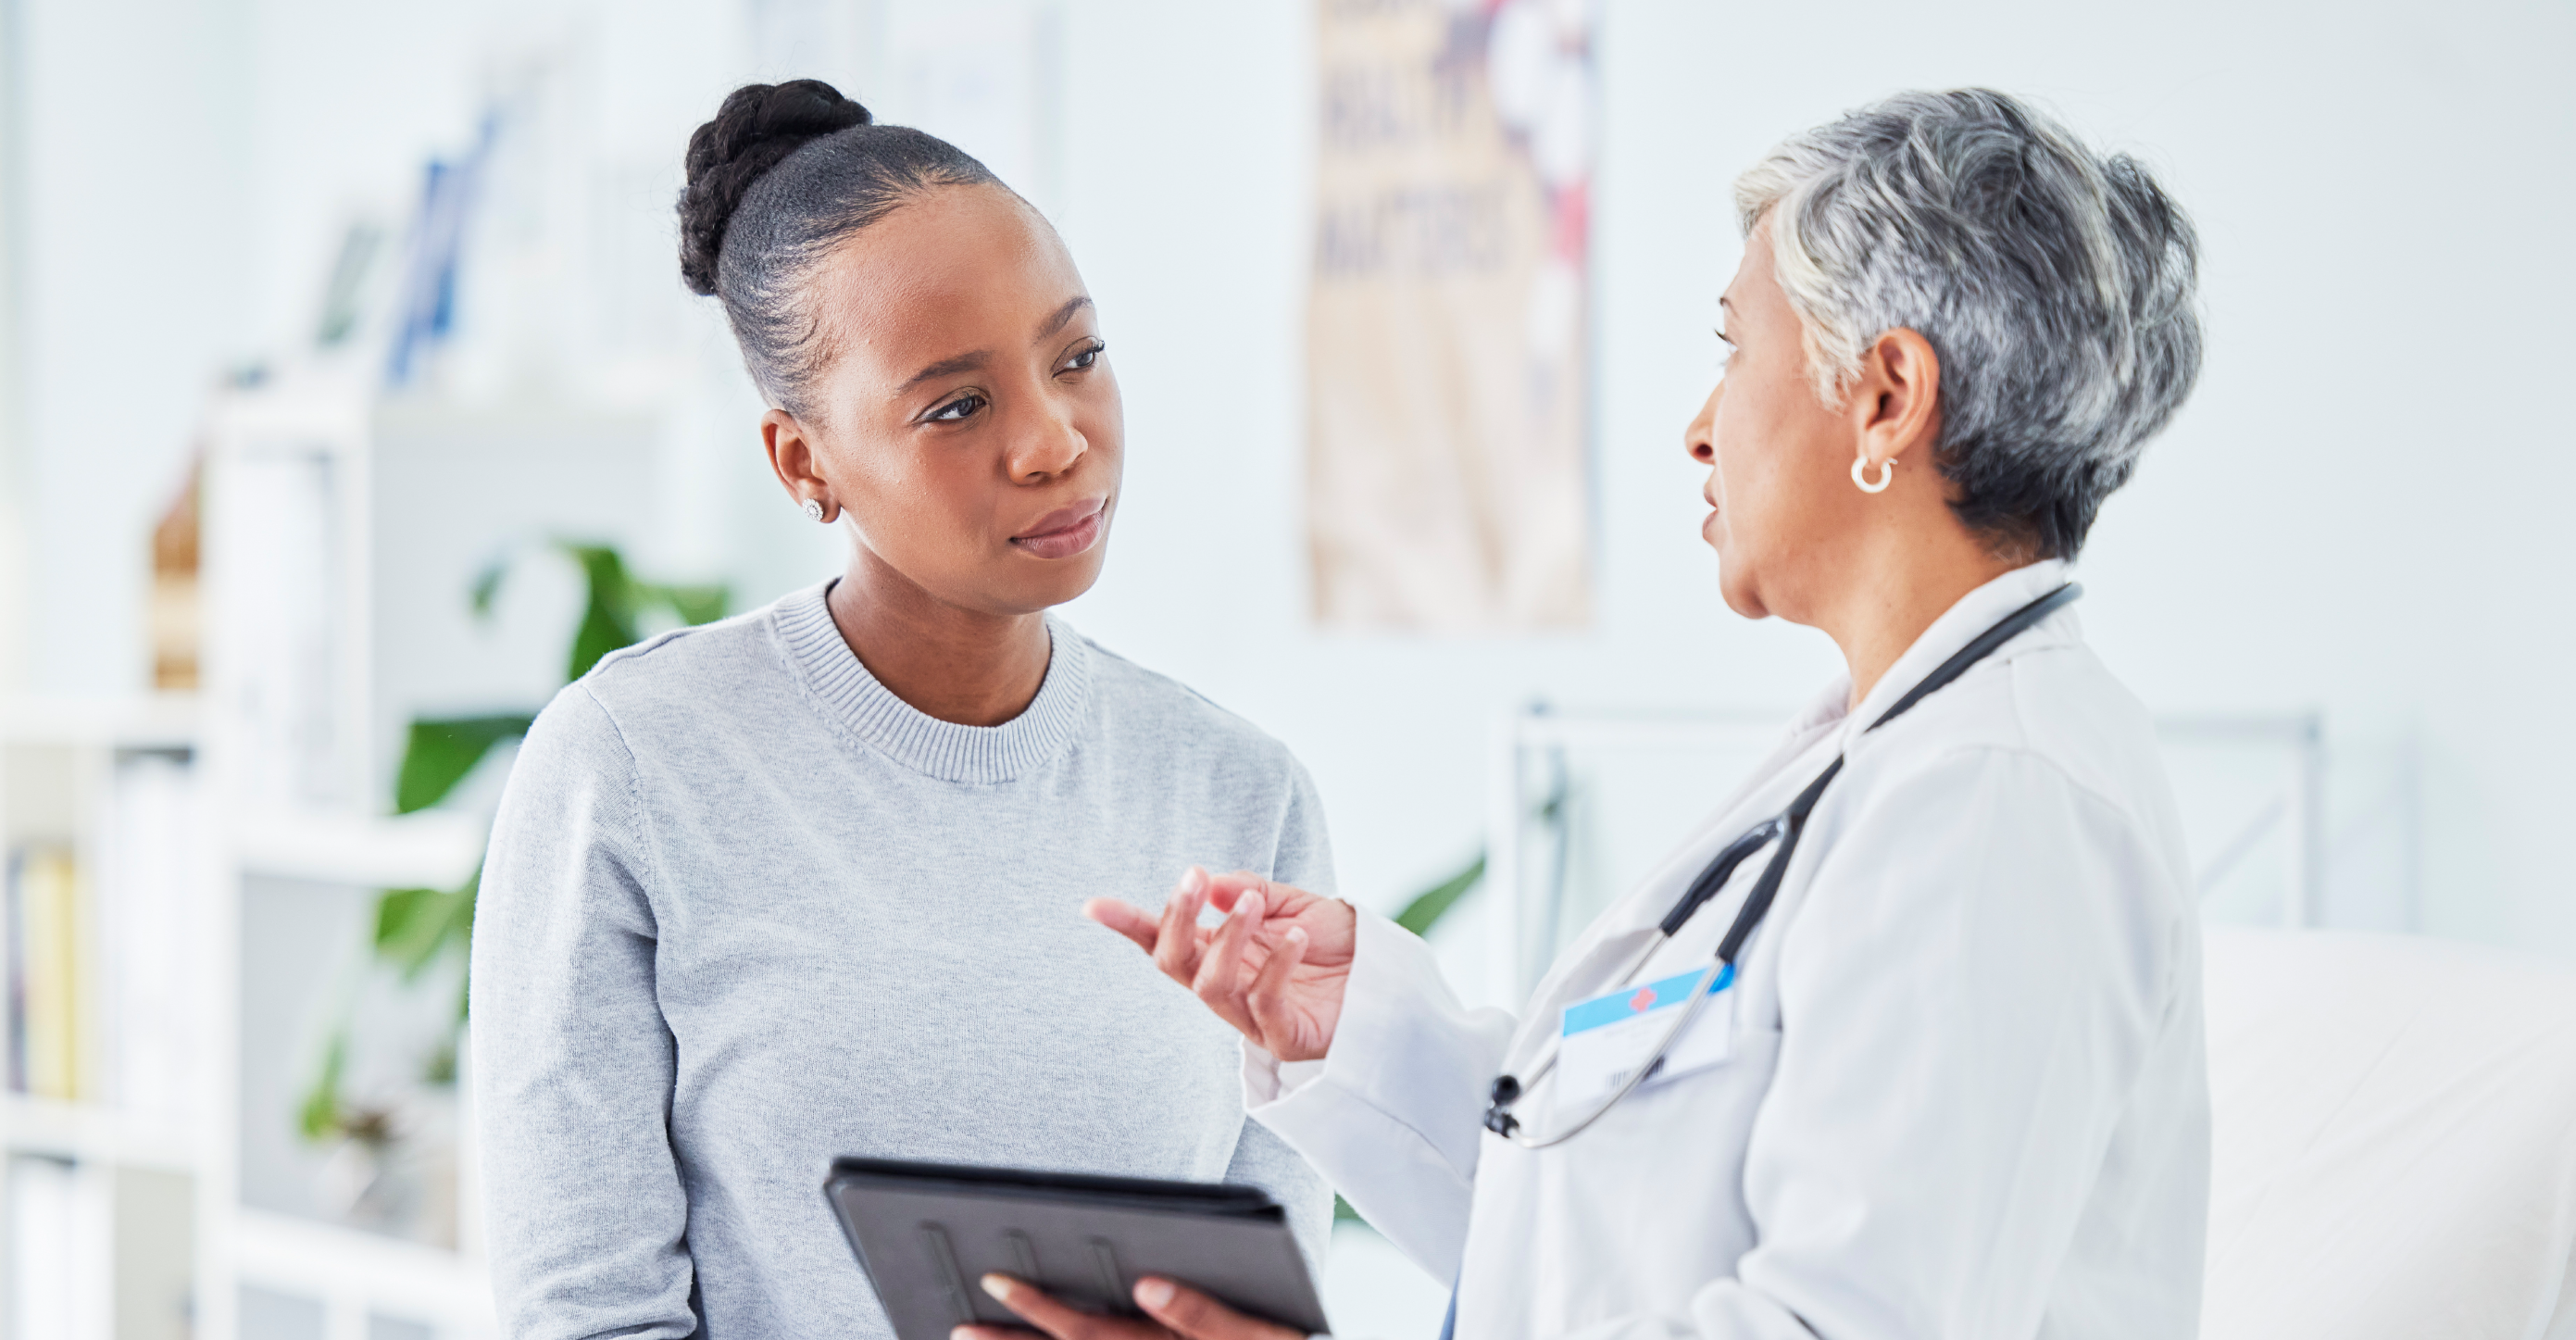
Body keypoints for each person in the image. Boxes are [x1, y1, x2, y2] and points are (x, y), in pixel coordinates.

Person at [973, 89, 2209, 1339]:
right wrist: (1361, 1031)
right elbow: (1601, 1240)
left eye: (1732, 348)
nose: (1697, 426)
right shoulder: (1886, 761)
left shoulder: (1996, 798)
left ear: (1885, 396)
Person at [468, 80, 1331, 1339]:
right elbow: (584, 1317)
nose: (1054, 441)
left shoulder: (1239, 792)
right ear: (803, 460)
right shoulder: (634, 767)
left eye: (1076, 356)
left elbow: (1268, 1301)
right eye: (956, 405)